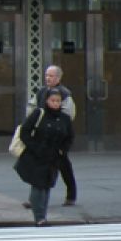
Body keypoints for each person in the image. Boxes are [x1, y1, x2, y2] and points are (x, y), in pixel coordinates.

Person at [15, 87, 74, 226]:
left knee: (47, 185)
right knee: (38, 185)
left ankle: (43, 215)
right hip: (37, 155)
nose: (55, 103)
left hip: (54, 156)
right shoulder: (38, 113)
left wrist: (62, 150)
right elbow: (25, 132)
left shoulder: (64, 118)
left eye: (58, 101)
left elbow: (70, 137)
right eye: (53, 100)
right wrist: (35, 147)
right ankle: (39, 217)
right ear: (46, 101)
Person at [26, 65, 77, 205]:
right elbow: (32, 106)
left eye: (51, 75)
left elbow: (68, 114)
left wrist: (59, 129)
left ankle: (71, 195)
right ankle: (34, 199)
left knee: (64, 166)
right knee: (38, 167)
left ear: (59, 77)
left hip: (57, 139)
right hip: (43, 136)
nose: (48, 78)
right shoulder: (42, 91)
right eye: (46, 75)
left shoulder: (65, 94)